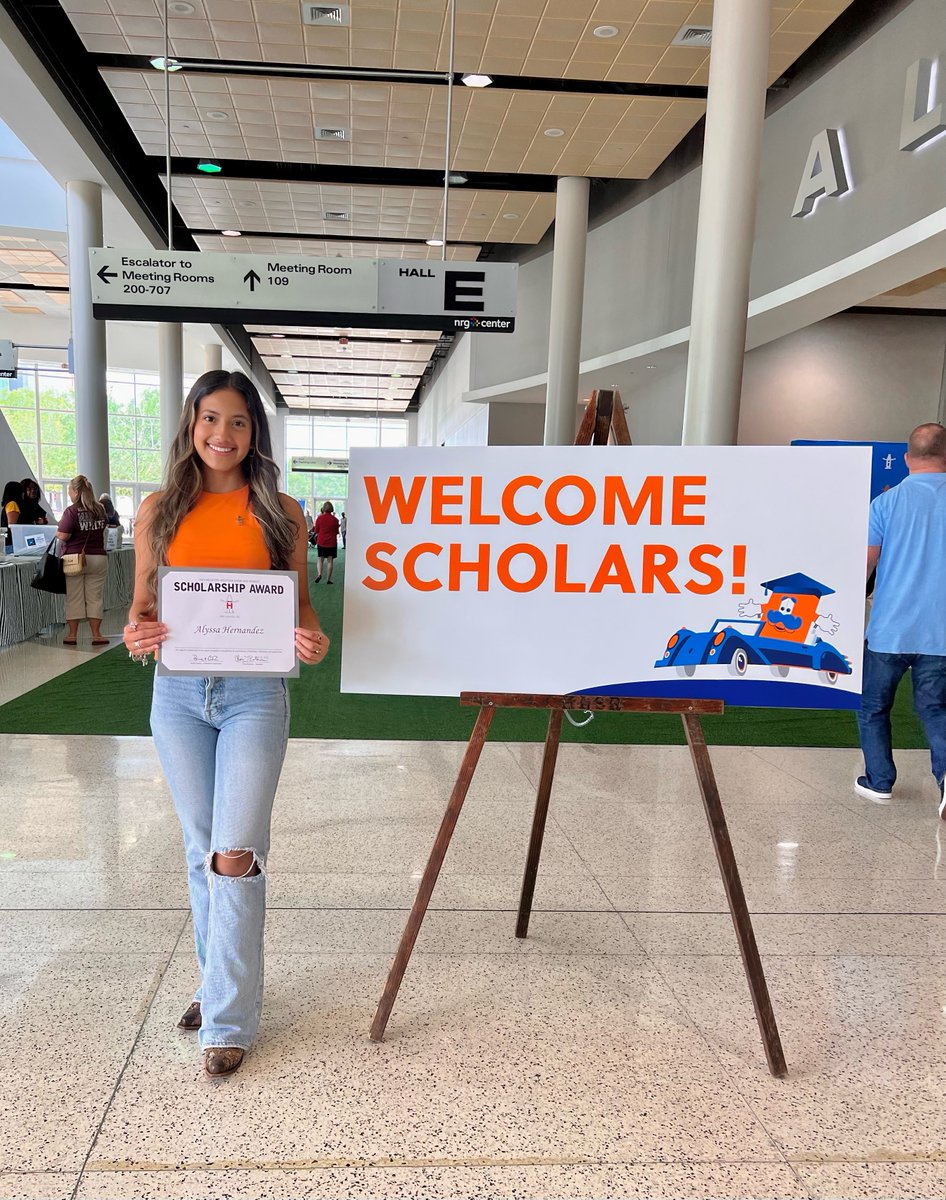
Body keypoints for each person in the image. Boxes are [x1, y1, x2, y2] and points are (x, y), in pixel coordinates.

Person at [122, 369, 328, 1081]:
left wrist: (311, 637)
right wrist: (137, 633)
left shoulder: (283, 511)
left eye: (238, 422)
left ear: (255, 433)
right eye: (211, 419)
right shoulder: (159, 511)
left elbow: (301, 610)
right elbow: (142, 609)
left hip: (254, 695)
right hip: (177, 695)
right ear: (190, 424)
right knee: (201, 844)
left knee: (234, 853)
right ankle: (218, 986)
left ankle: (229, 1020)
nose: (222, 434)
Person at [855, 422, 946, 818]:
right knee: (936, 708)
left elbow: (866, 565)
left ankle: (879, 782)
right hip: (941, 632)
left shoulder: (885, 503)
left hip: (889, 629)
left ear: (907, 458)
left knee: (874, 706)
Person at [55, 475, 109, 646]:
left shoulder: (71, 511)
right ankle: (97, 635)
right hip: (98, 558)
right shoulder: (100, 509)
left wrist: (57, 532)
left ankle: (72, 635)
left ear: (76, 492)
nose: (69, 493)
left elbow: (64, 536)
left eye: (70, 490)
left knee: (74, 597)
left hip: (74, 559)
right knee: (95, 598)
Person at [313, 500, 340, 584]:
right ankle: (328, 579)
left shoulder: (319, 518)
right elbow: (336, 532)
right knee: (330, 561)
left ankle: (319, 574)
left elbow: (316, 530)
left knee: (320, 559)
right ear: (332, 509)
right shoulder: (335, 520)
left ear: (323, 508)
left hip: (321, 541)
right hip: (332, 542)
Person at [1, 480, 22, 550]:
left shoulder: (7, 504)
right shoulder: (12, 504)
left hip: (7, 542)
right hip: (11, 543)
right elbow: (12, 526)